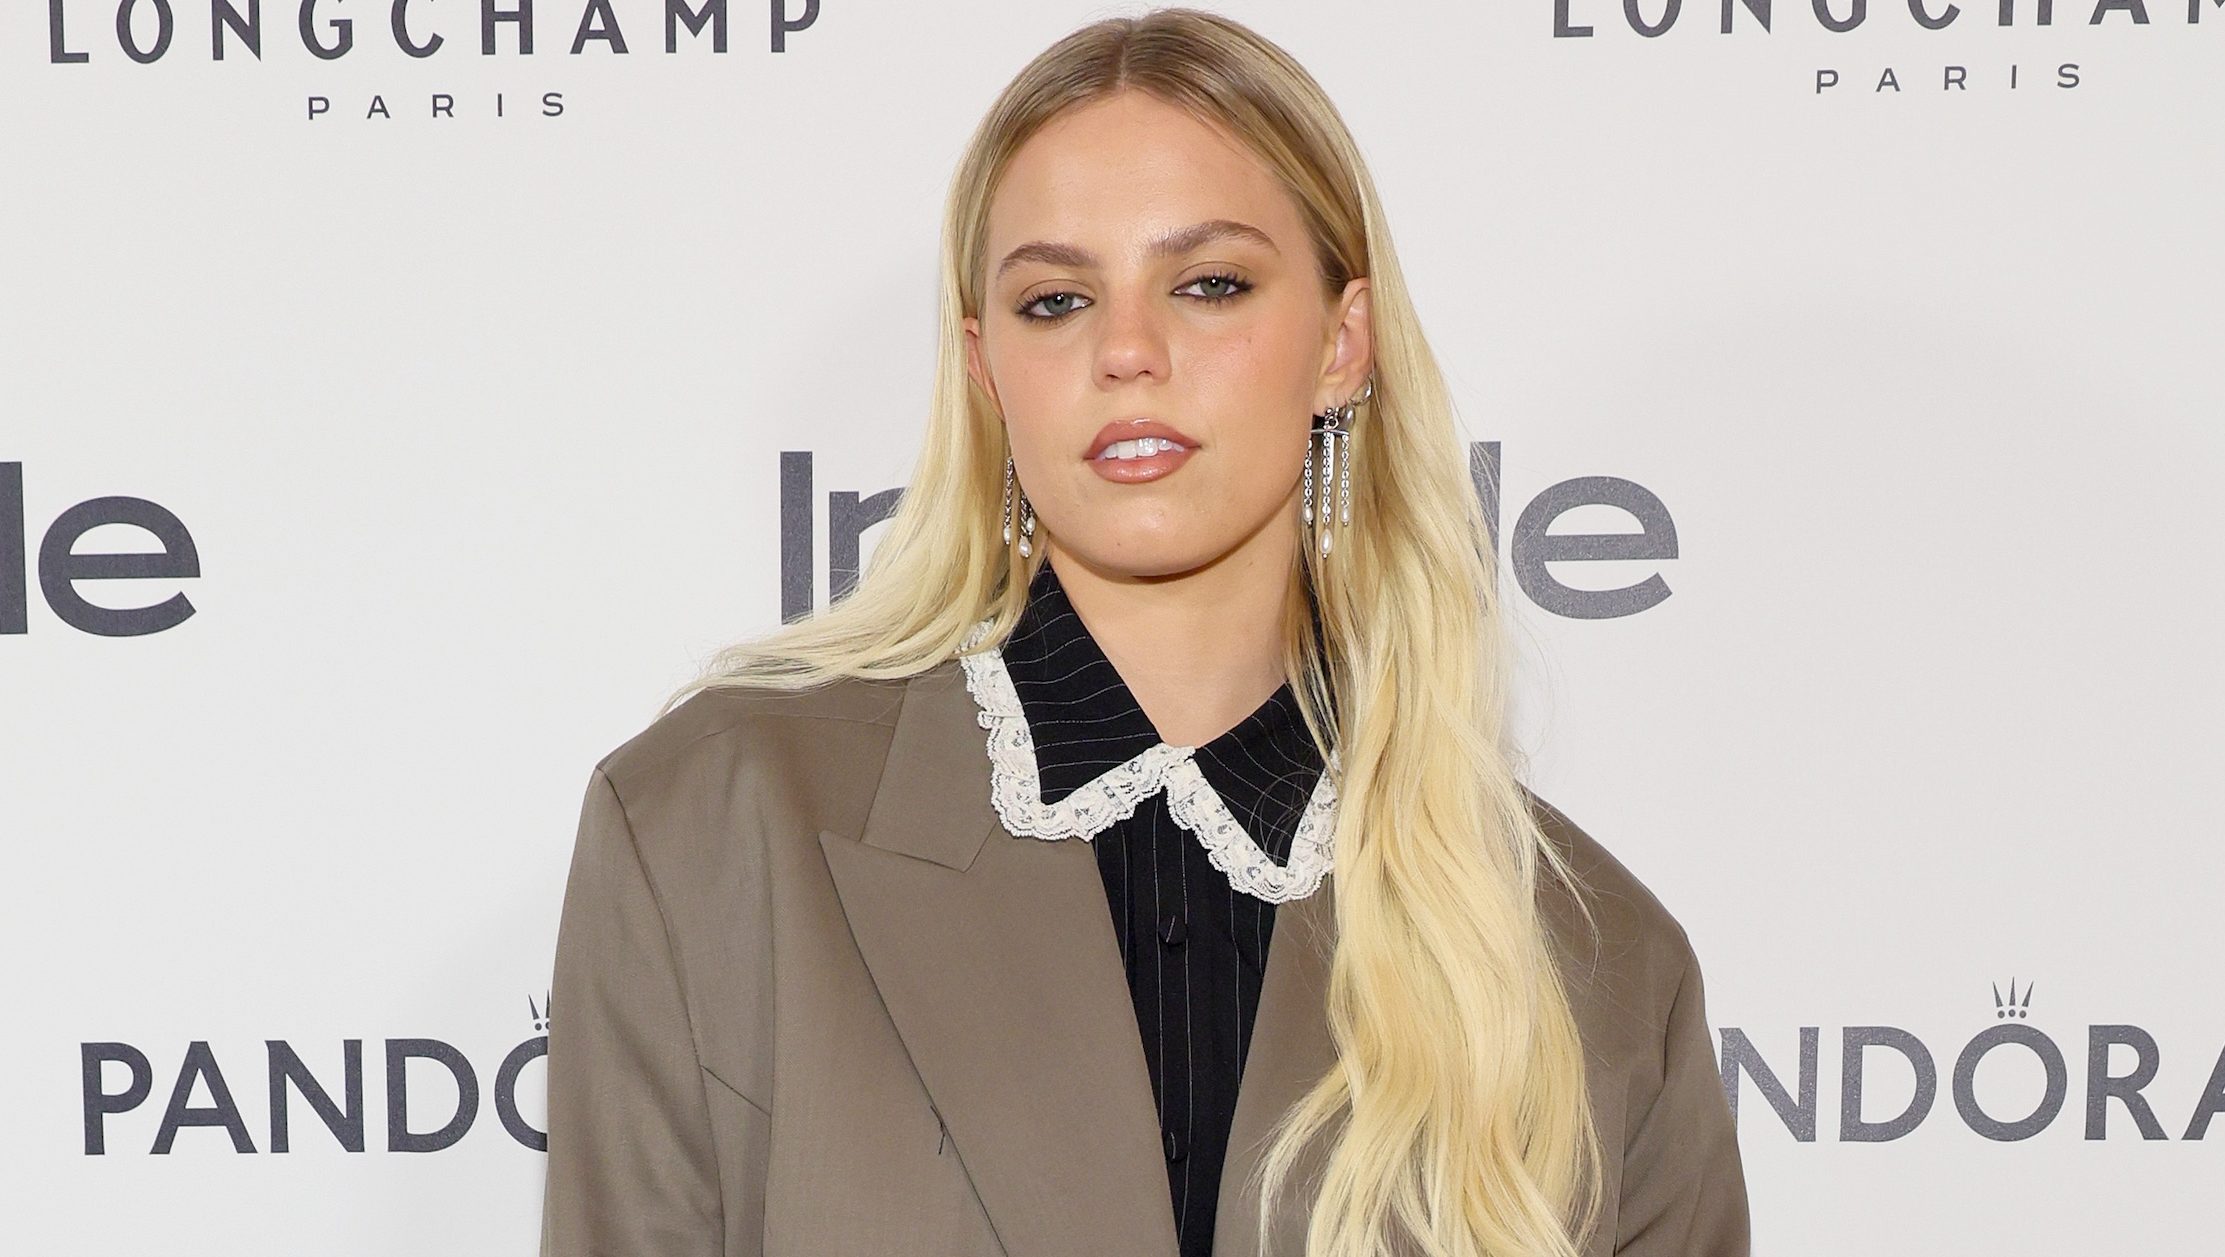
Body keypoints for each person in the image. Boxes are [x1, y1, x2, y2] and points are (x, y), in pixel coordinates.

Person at [538, 8, 1748, 1256]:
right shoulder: (721, 827)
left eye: (1209, 284)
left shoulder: (1588, 969)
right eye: (1056, 301)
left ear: (1340, 344)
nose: (1127, 351)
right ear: (984, 369)